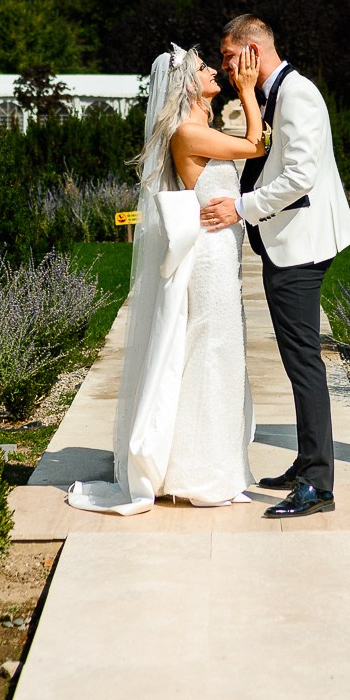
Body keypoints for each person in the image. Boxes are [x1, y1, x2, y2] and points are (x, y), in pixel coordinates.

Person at [67, 42, 267, 513]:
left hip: (222, 251)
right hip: (209, 256)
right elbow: (256, 143)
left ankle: (216, 465)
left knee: (220, 350)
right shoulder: (187, 132)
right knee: (209, 350)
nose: (214, 69)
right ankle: (200, 473)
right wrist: (247, 90)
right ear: (185, 84)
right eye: (203, 68)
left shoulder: (202, 127)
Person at [199, 14, 350, 519]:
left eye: (227, 56)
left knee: (304, 362)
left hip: (300, 245)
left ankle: (318, 484)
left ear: (252, 50)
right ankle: (308, 461)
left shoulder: (297, 94)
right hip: (285, 242)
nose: (223, 67)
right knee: (298, 362)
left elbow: (301, 176)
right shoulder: (275, 93)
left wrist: (241, 209)